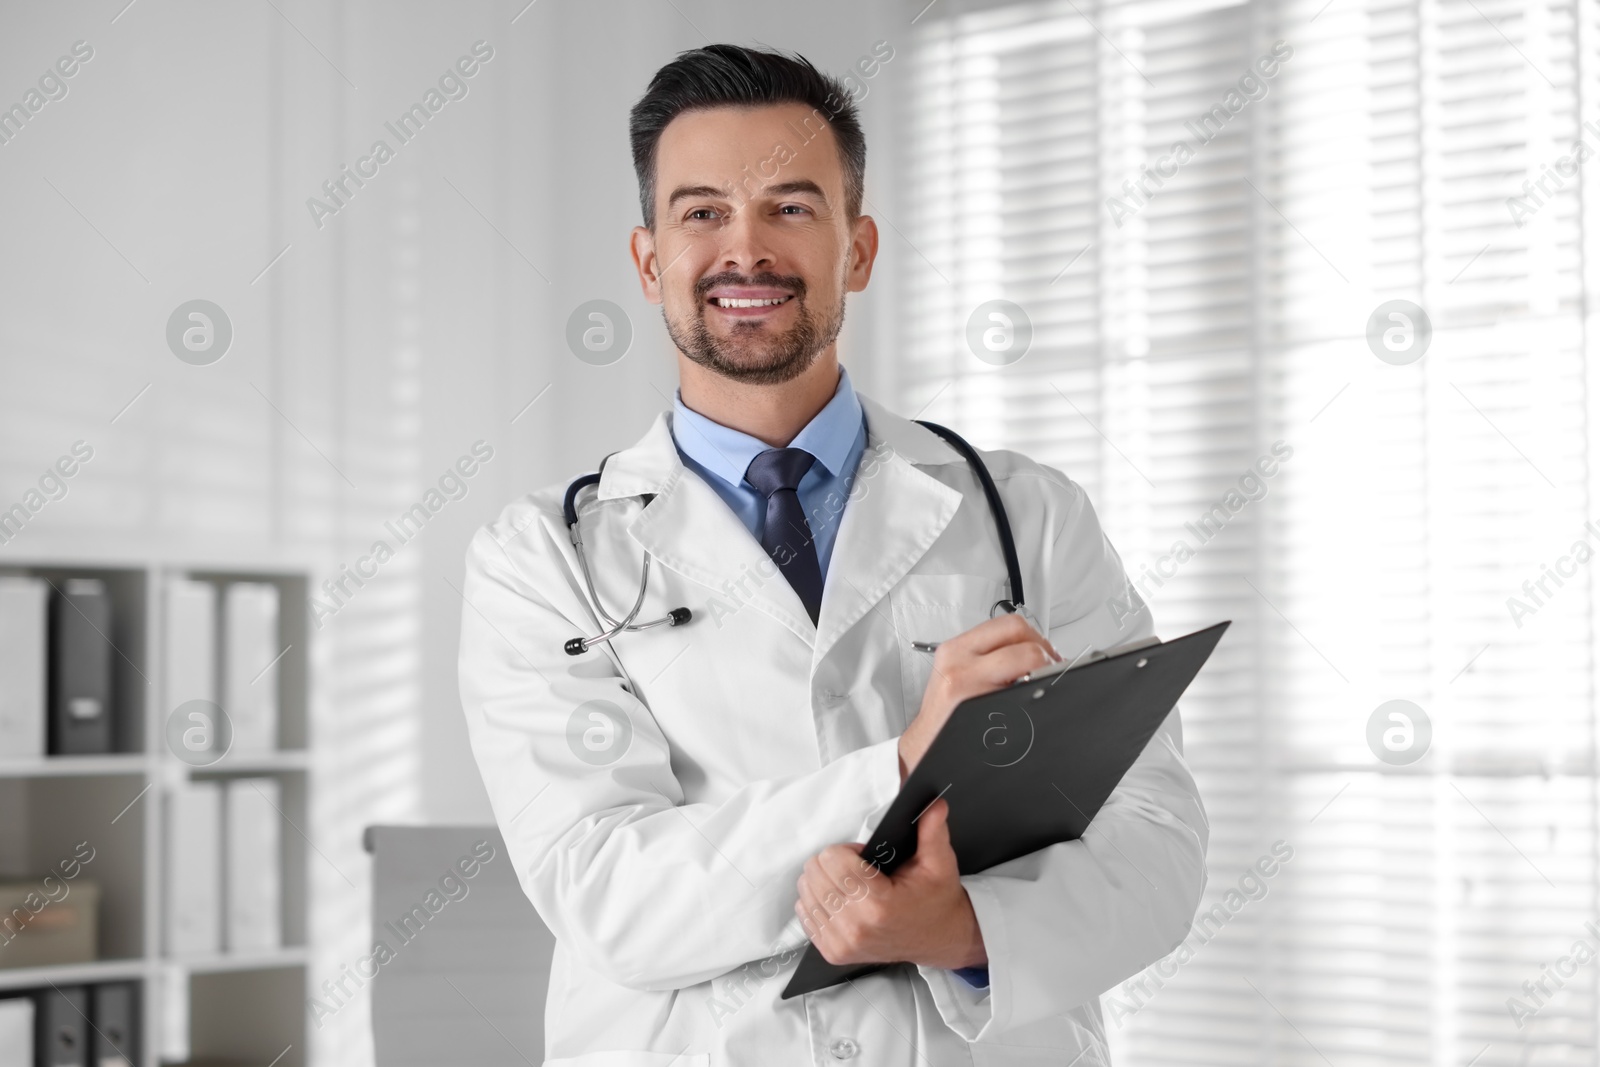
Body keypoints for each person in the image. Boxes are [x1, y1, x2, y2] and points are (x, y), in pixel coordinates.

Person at [457, 43, 1207, 1067]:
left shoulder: (1028, 514)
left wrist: (960, 932)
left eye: (791, 207)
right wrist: (900, 764)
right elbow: (607, 891)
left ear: (857, 249)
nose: (746, 250)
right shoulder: (543, 556)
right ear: (648, 261)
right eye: (702, 211)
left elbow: (1157, 841)